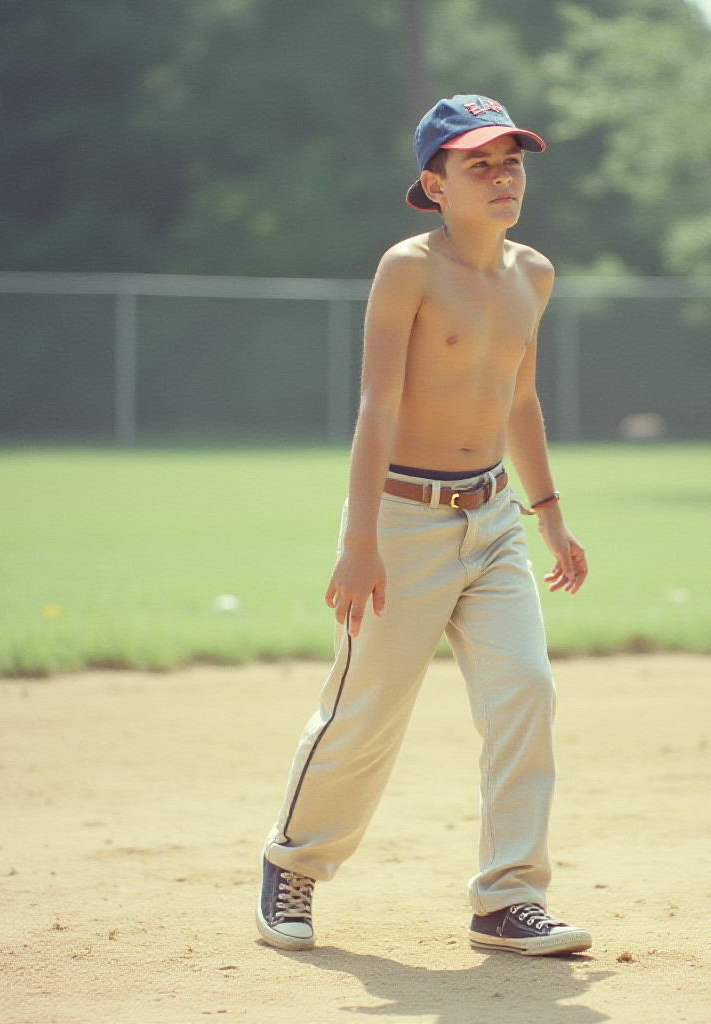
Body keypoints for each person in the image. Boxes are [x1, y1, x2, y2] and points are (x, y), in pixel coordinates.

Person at [256, 95, 591, 956]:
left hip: (493, 520)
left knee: (527, 690)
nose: (502, 175)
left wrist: (549, 517)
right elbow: (376, 404)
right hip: (402, 521)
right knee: (366, 712)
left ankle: (507, 899)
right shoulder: (408, 267)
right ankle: (292, 863)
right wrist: (358, 539)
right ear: (432, 185)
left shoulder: (534, 274)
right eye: (477, 163)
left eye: (511, 160)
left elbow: (519, 397)